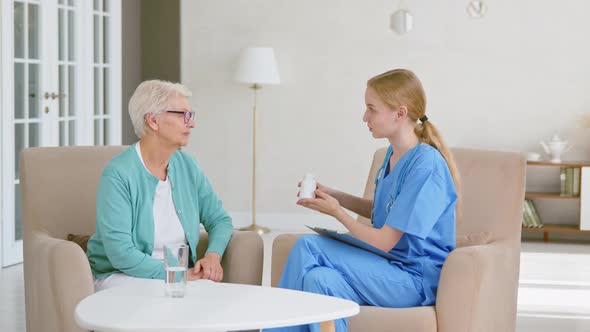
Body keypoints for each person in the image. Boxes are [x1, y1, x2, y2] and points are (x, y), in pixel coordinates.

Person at [267, 69, 460, 332]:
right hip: (387, 267)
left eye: (372, 109)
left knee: (308, 247)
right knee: (319, 279)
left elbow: (386, 240)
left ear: (400, 113)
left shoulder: (426, 165)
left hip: (413, 279)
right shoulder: (392, 156)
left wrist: (337, 213)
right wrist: (336, 196)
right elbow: (385, 212)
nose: (364, 117)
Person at [86, 80, 233, 291]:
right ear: (153, 121)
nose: (191, 123)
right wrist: (180, 274)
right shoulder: (118, 173)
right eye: (182, 115)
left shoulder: (187, 166)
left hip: (177, 275)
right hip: (122, 275)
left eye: (191, 115)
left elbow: (220, 220)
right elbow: (120, 253)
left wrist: (212, 256)